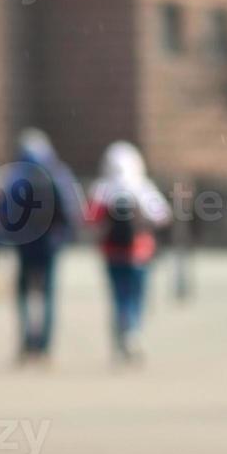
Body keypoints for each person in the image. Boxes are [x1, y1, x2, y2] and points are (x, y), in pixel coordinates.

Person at [87, 141, 170, 362]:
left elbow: (90, 219)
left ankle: (121, 336)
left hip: (112, 252)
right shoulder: (143, 187)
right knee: (137, 296)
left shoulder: (102, 188)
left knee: (118, 296)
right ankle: (133, 331)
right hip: (139, 252)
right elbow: (162, 216)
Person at [7, 129, 81, 364]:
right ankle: (45, 346)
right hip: (50, 242)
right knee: (48, 293)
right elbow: (71, 207)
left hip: (24, 242)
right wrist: (67, 235)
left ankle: (27, 341)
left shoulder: (16, 173)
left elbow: (3, 209)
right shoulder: (57, 171)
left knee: (25, 294)